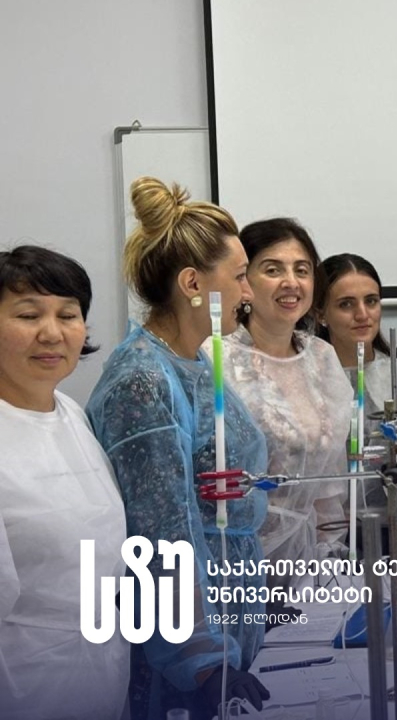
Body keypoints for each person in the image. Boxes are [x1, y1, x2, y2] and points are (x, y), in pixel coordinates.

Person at [87, 177, 271, 719]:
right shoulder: (144, 381)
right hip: (184, 664)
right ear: (193, 282)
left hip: (226, 621)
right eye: (240, 276)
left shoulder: (191, 362)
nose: (248, 293)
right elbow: (159, 535)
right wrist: (204, 661)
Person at [0, 246, 128, 719]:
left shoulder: (72, 413)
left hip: (103, 668)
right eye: (28, 315)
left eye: (68, 315)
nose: (52, 333)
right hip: (23, 683)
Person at [212, 218, 354, 570]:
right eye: (273, 270)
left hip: (308, 558)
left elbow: (329, 479)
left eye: (302, 270)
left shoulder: (321, 357)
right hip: (234, 555)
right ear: (244, 280)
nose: (291, 282)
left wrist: (328, 556)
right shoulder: (216, 357)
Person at [317, 252, 397, 411]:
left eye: (371, 301)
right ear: (320, 314)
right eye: (346, 304)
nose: (362, 315)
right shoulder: (305, 379)